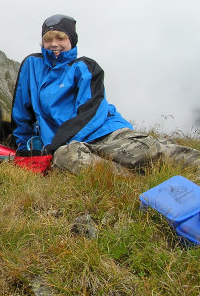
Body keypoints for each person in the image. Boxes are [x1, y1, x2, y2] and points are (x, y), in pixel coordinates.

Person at [11, 14, 200, 175]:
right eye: (48, 39)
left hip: (103, 132)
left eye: (61, 38)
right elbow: (22, 111)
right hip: (66, 147)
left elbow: (89, 113)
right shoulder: (32, 65)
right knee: (66, 158)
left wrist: (53, 145)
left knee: (152, 153)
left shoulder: (85, 67)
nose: (54, 44)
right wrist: (23, 146)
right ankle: (136, 180)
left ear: (71, 40)